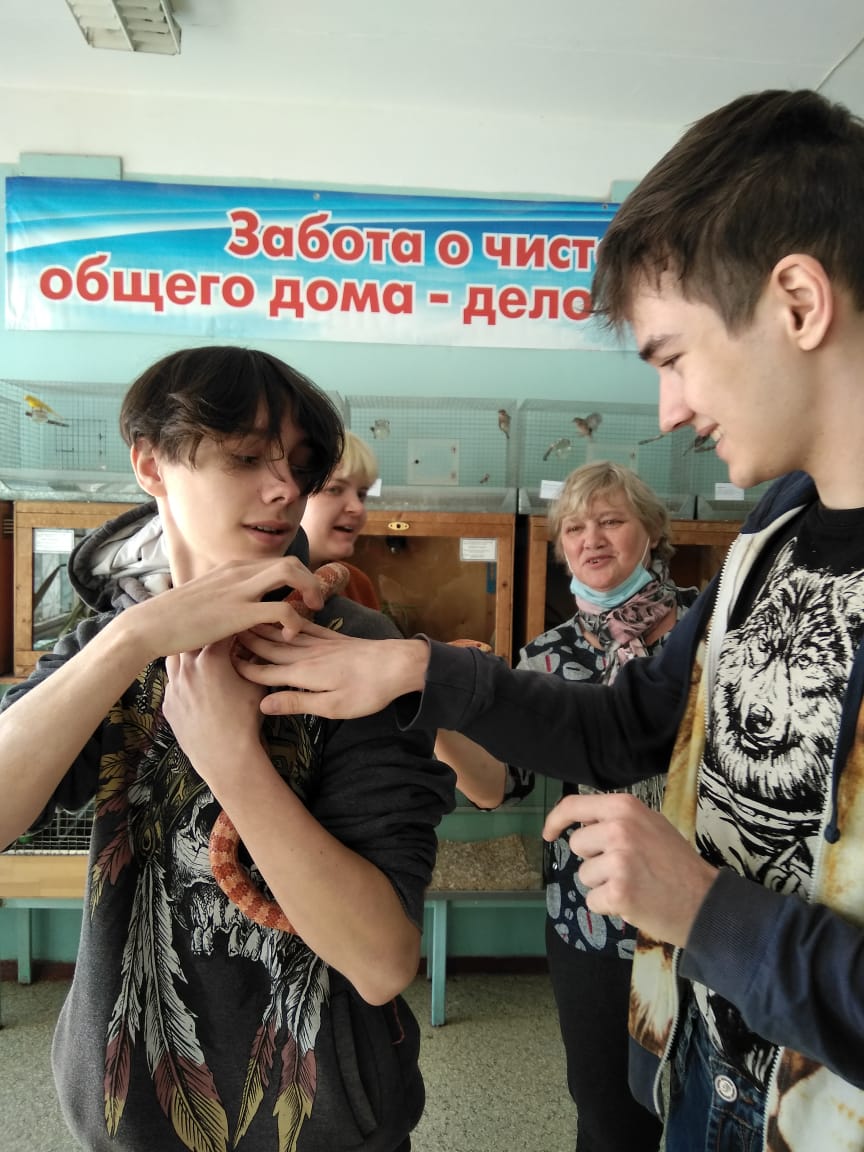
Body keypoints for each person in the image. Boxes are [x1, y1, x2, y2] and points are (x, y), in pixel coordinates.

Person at [234, 90, 864, 1151]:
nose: (670, 410)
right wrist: (415, 672)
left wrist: (703, 911)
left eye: (673, 356)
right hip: (705, 1087)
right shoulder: (774, 531)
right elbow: (628, 724)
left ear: (798, 302)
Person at [0, 346, 454, 1152]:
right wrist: (133, 638)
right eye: (245, 458)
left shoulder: (353, 649)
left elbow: (382, 960)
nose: (285, 490)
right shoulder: (111, 647)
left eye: (300, 467)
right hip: (130, 1116)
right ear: (151, 463)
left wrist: (233, 760)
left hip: (323, 1120)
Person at [435, 461, 695, 1152]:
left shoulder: (707, 632)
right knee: (608, 1112)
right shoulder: (547, 656)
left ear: (652, 532)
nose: (591, 539)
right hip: (594, 919)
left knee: (708, 1103)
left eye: (610, 521)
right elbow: (499, 785)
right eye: (575, 528)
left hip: (709, 905)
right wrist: (435, 714)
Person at [300, 429, 381, 609]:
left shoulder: (356, 584)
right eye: (334, 489)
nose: (358, 508)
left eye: (361, 494)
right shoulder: (257, 589)